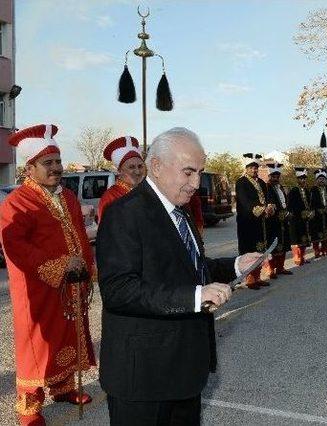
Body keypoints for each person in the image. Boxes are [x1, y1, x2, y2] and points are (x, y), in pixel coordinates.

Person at [97, 127, 263, 426]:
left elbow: (191, 267)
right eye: (188, 172)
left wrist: (236, 266)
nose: (196, 183)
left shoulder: (179, 210)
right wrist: (194, 296)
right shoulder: (124, 213)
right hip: (144, 379)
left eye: (200, 172)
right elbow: (119, 290)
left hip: (184, 372)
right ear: (157, 166)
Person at [0, 124, 96, 426]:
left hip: (70, 285)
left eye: (58, 161)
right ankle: (28, 409)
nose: (56, 168)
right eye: (48, 163)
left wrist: (86, 264)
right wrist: (57, 265)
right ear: (30, 167)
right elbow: (14, 245)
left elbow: (80, 234)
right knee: (36, 346)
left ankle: (64, 387)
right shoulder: (17, 202)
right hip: (38, 288)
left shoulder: (67, 196)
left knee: (67, 334)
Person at [235, 153, 274, 289]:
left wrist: (269, 206)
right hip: (248, 222)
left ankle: (257, 277)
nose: (254, 170)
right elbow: (245, 202)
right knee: (250, 250)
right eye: (251, 167)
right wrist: (261, 210)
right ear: (246, 168)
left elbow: (268, 198)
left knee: (261, 250)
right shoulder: (241, 182)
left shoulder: (262, 182)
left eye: (256, 167)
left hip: (261, 222)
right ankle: (250, 279)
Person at [97, 135, 145, 223]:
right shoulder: (110, 197)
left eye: (140, 166)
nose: (137, 172)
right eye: (131, 167)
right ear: (119, 170)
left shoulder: (146, 192)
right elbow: (108, 232)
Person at [263, 162, 293, 278]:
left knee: (284, 243)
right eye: (273, 177)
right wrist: (278, 213)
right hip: (273, 221)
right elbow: (269, 203)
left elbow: (285, 202)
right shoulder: (267, 187)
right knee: (273, 245)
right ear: (270, 177)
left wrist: (288, 212)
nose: (276, 179)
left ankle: (280, 267)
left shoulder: (281, 187)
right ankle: (270, 269)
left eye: (277, 177)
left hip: (284, 220)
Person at [288, 167, 314, 266]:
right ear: (297, 179)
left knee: (304, 238)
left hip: (305, 219)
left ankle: (302, 256)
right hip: (296, 219)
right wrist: (300, 213)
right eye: (301, 179)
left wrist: (310, 212)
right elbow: (290, 205)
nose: (302, 180)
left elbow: (309, 204)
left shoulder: (307, 191)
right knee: (296, 239)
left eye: (304, 179)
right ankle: (296, 257)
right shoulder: (293, 191)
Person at [310, 168, 327, 257]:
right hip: (317, 215)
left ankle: (326, 250)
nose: (321, 180)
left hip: (326, 215)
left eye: (323, 179)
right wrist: (316, 210)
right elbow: (310, 203)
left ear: (325, 180)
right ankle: (316, 251)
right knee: (316, 233)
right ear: (316, 180)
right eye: (319, 179)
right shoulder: (313, 190)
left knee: (326, 233)